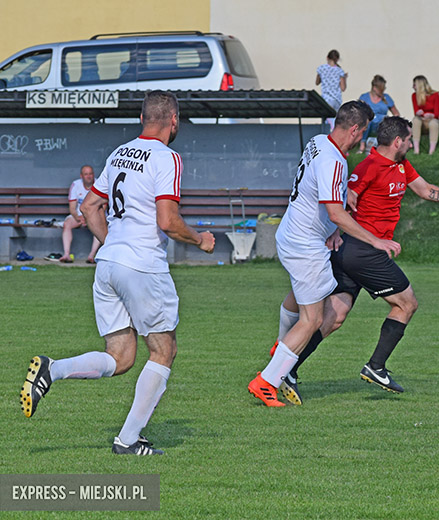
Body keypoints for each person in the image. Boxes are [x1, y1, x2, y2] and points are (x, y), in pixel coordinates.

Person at [19, 91, 216, 455]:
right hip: (141, 266)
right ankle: (128, 440)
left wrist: (113, 245)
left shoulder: (119, 153)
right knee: (164, 350)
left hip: (109, 264)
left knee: (121, 357)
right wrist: (200, 239)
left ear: (142, 118)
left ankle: (53, 369)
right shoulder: (168, 157)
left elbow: (89, 206)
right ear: (174, 120)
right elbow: (167, 221)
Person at [267, 116, 439, 405]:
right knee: (407, 304)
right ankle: (376, 367)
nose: (411, 144)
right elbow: (343, 200)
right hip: (364, 250)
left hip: (356, 252)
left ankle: (286, 369)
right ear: (397, 142)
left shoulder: (401, 165)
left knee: (334, 317)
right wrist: (338, 229)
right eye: (408, 140)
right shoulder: (368, 167)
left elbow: (424, 189)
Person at [247, 101, 402, 408]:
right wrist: (375, 241)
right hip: (305, 246)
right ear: (354, 129)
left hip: (290, 234)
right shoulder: (334, 161)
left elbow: (319, 193)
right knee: (313, 319)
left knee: (299, 296)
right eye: (364, 131)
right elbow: (335, 212)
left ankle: (281, 346)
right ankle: (266, 382)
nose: (363, 139)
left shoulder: (318, 142)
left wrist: (333, 226)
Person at [49, 165, 102, 263]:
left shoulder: (99, 184)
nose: (89, 176)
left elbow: (103, 207)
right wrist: (79, 217)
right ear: (81, 176)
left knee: (99, 225)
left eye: (91, 174)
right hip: (79, 215)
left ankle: (91, 256)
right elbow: (72, 208)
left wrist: (89, 218)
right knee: (67, 224)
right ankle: (66, 255)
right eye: (86, 174)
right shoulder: (75, 185)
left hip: (95, 215)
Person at [357, 75, 400, 153]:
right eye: (381, 89)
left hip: (380, 123)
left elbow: (396, 113)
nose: (383, 91)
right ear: (374, 88)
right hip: (369, 122)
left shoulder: (386, 98)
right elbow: (359, 111)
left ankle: (384, 146)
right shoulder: (364, 97)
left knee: (385, 120)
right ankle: (362, 145)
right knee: (366, 120)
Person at [315, 50, 348, 130]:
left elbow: (317, 82)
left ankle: (327, 134)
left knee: (326, 120)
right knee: (335, 119)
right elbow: (343, 88)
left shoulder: (321, 68)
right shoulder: (340, 71)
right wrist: (345, 78)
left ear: (327, 58)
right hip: (336, 99)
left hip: (326, 99)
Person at [411, 75, 439, 155]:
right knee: (415, 120)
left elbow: (437, 114)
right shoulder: (414, 96)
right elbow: (415, 111)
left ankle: (431, 151)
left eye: (414, 85)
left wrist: (431, 115)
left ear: (420, 85)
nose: (413, 87)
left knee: (433, 123)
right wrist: (419, 113)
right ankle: (416, 150)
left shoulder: (435, 95)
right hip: (421, 121)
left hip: (432, 120)